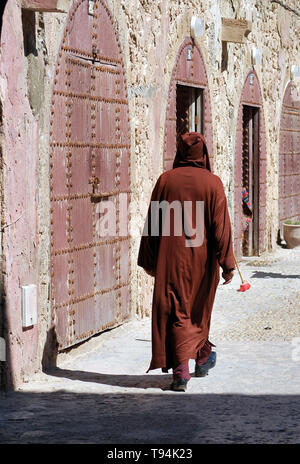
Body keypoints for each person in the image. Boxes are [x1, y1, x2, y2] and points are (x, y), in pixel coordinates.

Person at [138, 132, 235, 391]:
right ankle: (183, 371)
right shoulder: (212, 183)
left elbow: (154, 223)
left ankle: (202, 356)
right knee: (193, 311)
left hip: (169, 260)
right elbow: (221, 227)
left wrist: (149, 259)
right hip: (201, 262)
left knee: (177, 311)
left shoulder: (165, 181)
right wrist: (227, 263)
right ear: (203, 154)